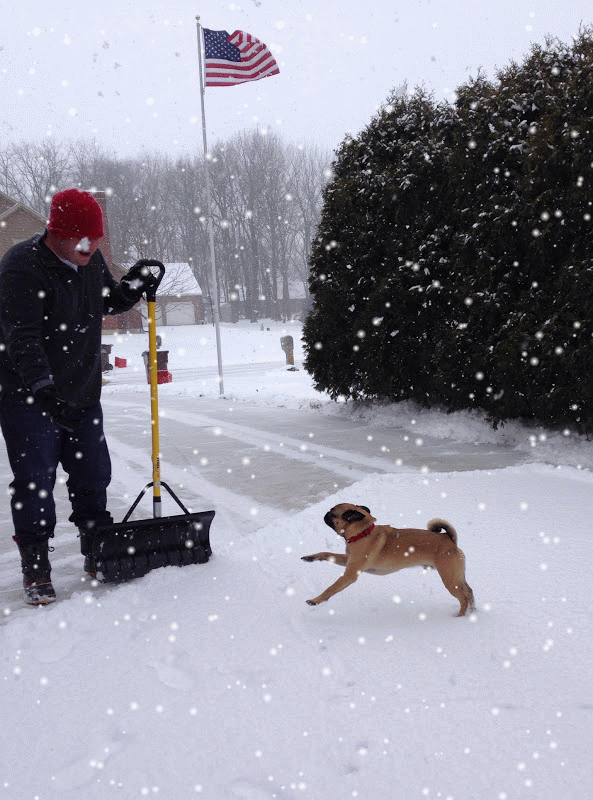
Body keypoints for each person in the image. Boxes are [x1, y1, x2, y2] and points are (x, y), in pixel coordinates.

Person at [0, 188, 155, 605]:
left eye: (97, 239)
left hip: (83, 390)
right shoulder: (21, 266)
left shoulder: (90, 259)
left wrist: (134, 285)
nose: (92, 247)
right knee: (35, 482)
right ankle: (36, 566)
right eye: (83, 239)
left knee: (93, 475)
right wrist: (44, 391)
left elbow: (107, 299)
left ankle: (96, 549)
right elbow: (22, 338)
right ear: (57, 233)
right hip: (28, 397)